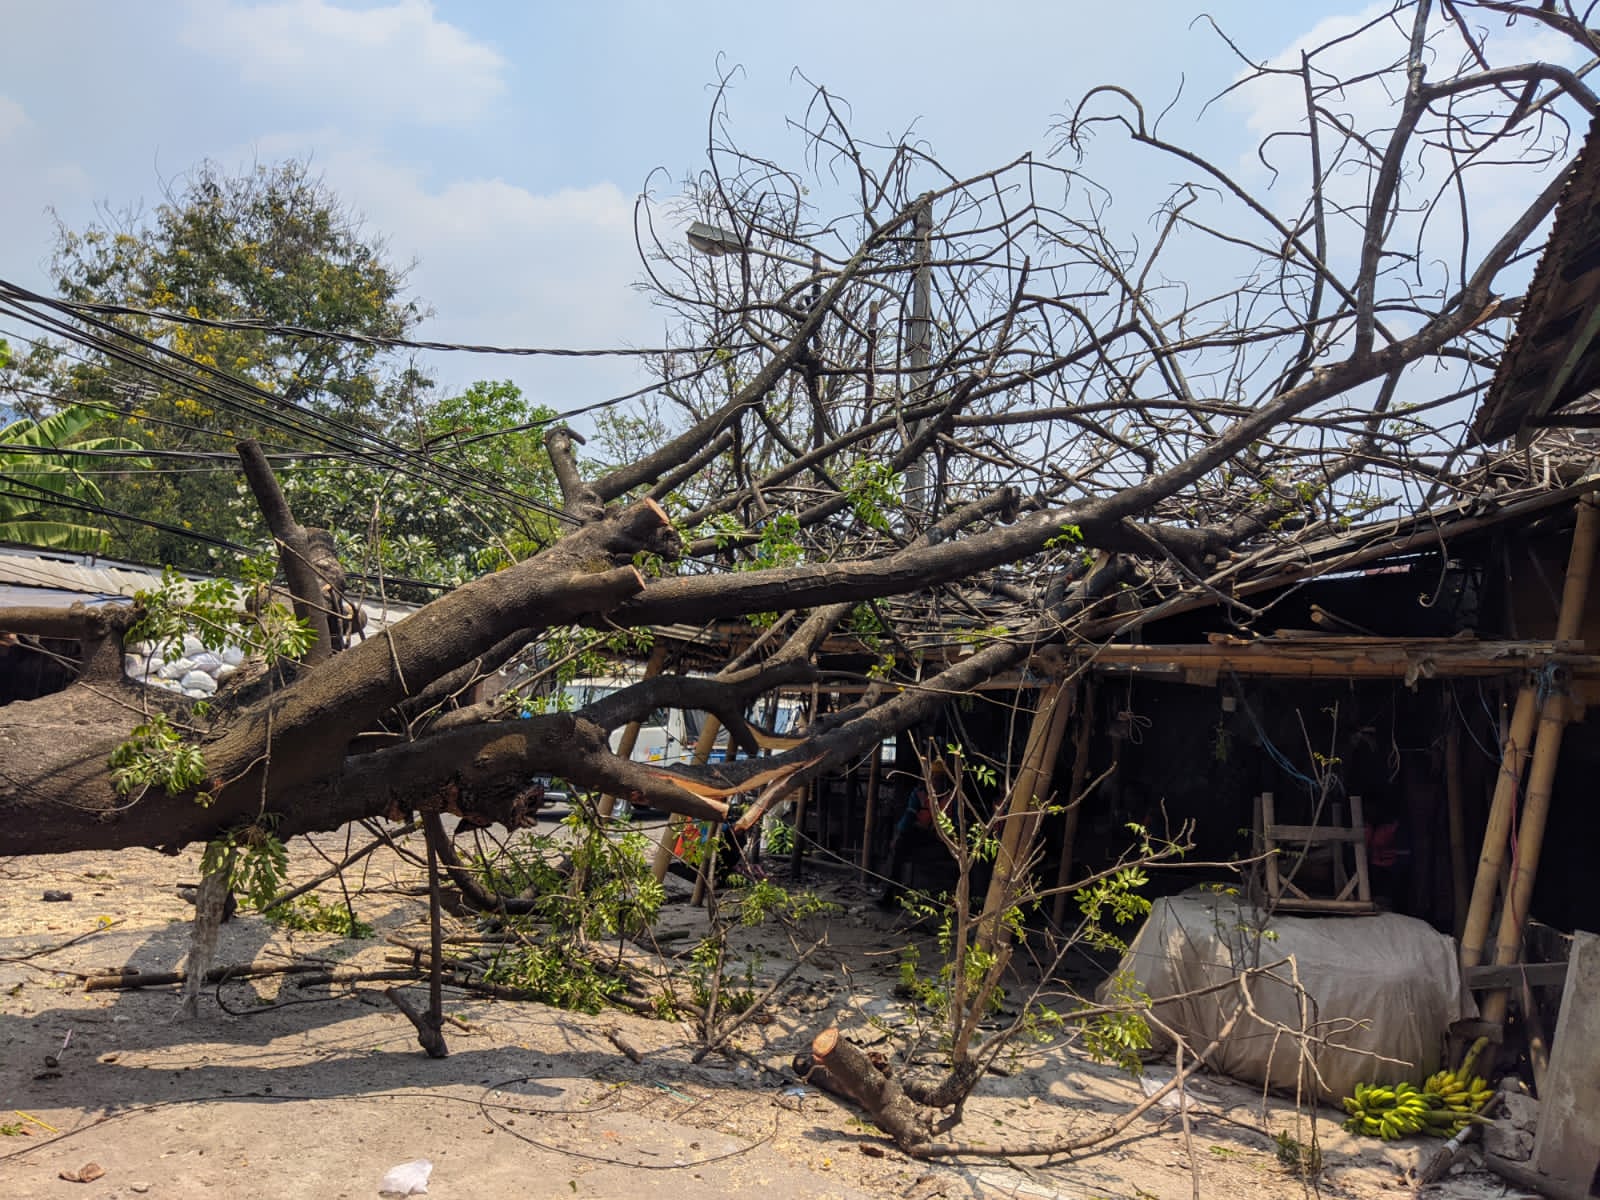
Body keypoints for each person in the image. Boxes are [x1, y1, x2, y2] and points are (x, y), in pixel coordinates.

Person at [876, 761, 955, 909]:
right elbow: (908, 818)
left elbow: (956, 824)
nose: (935, 782)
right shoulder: (919, 794)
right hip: (921, 834)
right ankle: (889, 894)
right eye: (932, 778)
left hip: (943, 840)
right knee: (898, 847)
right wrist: (897, 836)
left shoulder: (952, 798)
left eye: (938, 778)